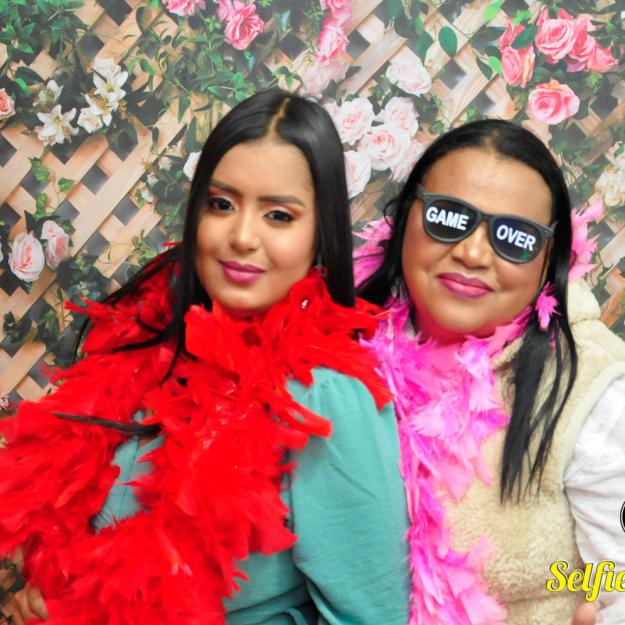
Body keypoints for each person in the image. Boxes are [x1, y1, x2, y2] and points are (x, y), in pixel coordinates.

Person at [0, 90, 410, 625]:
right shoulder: (146, 343)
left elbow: (372, 617)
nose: (241, 236)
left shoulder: (327, 396)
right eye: (221, 204)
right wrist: (49, 596)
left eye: (279, 215)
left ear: (319, 235)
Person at [356, 119, 624, 625]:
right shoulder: (340, 348)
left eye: (514, 237)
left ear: (549, 260)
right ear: (405, 218)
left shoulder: (592, 394)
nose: (473, 252)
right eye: (448, 217)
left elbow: (619, 580)